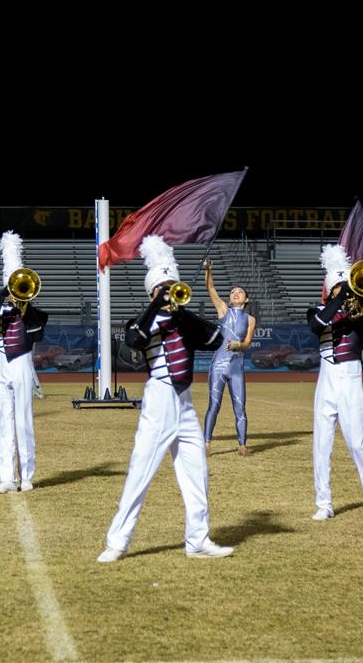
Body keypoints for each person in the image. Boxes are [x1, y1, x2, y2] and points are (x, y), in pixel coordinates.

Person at [97, 235, 233, 563]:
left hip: (184, 402)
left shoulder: (184, 320)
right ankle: (117, 540)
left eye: (175, 286)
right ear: (154, 291)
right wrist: (157, 306)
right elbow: (133, 339)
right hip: (159, 400)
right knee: (141, 471)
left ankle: (197, 539)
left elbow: (216, 339)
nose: (173, 292)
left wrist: (181, 312)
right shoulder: (144, 320)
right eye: (166, 287)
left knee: (196, 471)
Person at [308, 244, 363, 521]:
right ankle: (323, 503)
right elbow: (317, 326)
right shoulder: (319, 309)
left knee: (356, 442)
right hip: (326, 378)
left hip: (350, 375)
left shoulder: (361, 313)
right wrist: (340, 296)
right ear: (330, 290)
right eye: (338, 287)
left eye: (347, 286)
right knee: (322, 442)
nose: (344, 291)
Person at [0, 231, 48, 494]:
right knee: (4, 420)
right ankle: (6, 476)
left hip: (21, 363)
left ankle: (27, 475)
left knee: (23, 420)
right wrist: (3, 294)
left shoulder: (35, 313)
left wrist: (24, 307)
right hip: (0, 365)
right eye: (14, 285)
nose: (17, 291)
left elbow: (36, 333)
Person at [202, 258, 256, 456]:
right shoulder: (223, 310)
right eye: (233, 292)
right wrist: (208, 270)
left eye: (239, 292)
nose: (235, 293)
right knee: (214, 404)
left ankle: (242, 445)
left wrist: (238, 345)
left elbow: (248, 343)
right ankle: (206, 444)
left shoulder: (250, 319)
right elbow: (211, 289)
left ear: (246, 299)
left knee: (240, 406)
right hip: (219, 365)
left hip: (237, 367)